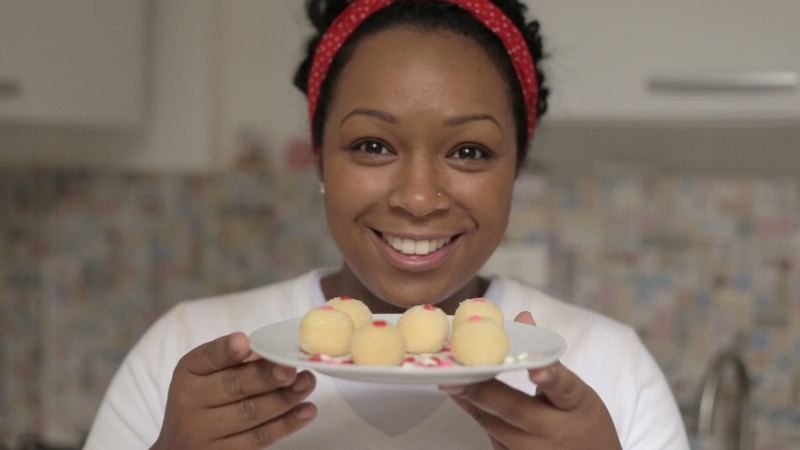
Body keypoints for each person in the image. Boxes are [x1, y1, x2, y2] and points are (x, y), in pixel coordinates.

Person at [84, 1, 689, 449]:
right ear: (319, 153)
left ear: (517, 166)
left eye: (470, 151)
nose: (419, 199)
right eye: (373, 145)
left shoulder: (610, 367)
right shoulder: (190, 351)